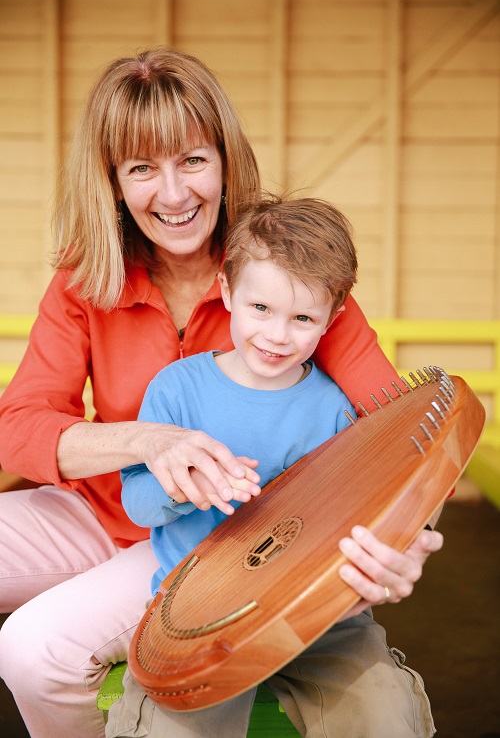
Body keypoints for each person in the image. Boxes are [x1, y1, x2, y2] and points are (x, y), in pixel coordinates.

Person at [0, 47, 442, 738]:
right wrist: (153, 442)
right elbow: (20, 425)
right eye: (143, 168)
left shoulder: (286, 278)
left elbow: (401, 432)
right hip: (100, 508)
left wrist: (406, 535)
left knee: (32, 650)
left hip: (203, 539)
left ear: (226, 159)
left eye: (193, 161)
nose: (173, 195)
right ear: (114, 183)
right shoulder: (84, 278)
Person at [106, 194, 437, 737]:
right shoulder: (177, 388)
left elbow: (355, 512)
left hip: (320, 619)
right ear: (228, 291)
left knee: (384, 712)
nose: (278, 336)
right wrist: (188, 485)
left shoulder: (334, 408)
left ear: (333, 319)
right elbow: (137, 502)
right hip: (198, 614)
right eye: (261, 309)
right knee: (171, 727)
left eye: (303, 318)